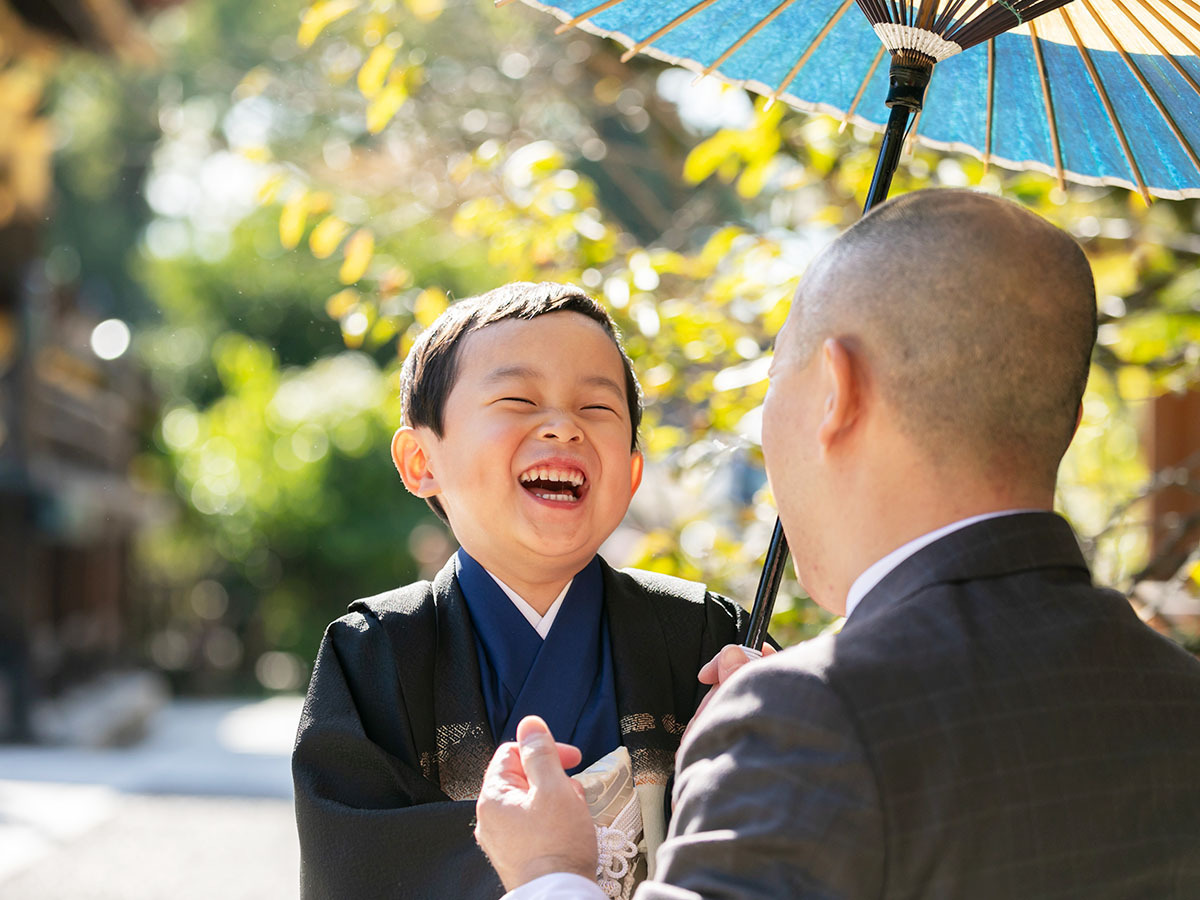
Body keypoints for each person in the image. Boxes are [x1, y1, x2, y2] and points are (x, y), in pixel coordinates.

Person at [474, 189, 1200, 898]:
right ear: (1071, 421)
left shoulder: (808, 722)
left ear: (836, 389)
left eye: (774, 378)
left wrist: (550, 873)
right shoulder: (1177, 697)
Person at [291, 282, 751, 899]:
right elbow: (356, 871)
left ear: (633, 472)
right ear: (421, 461)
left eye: (597, 409)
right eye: (517, 399)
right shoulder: (379, 654)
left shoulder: (705, 638)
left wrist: (783, 728)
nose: (563, 428)